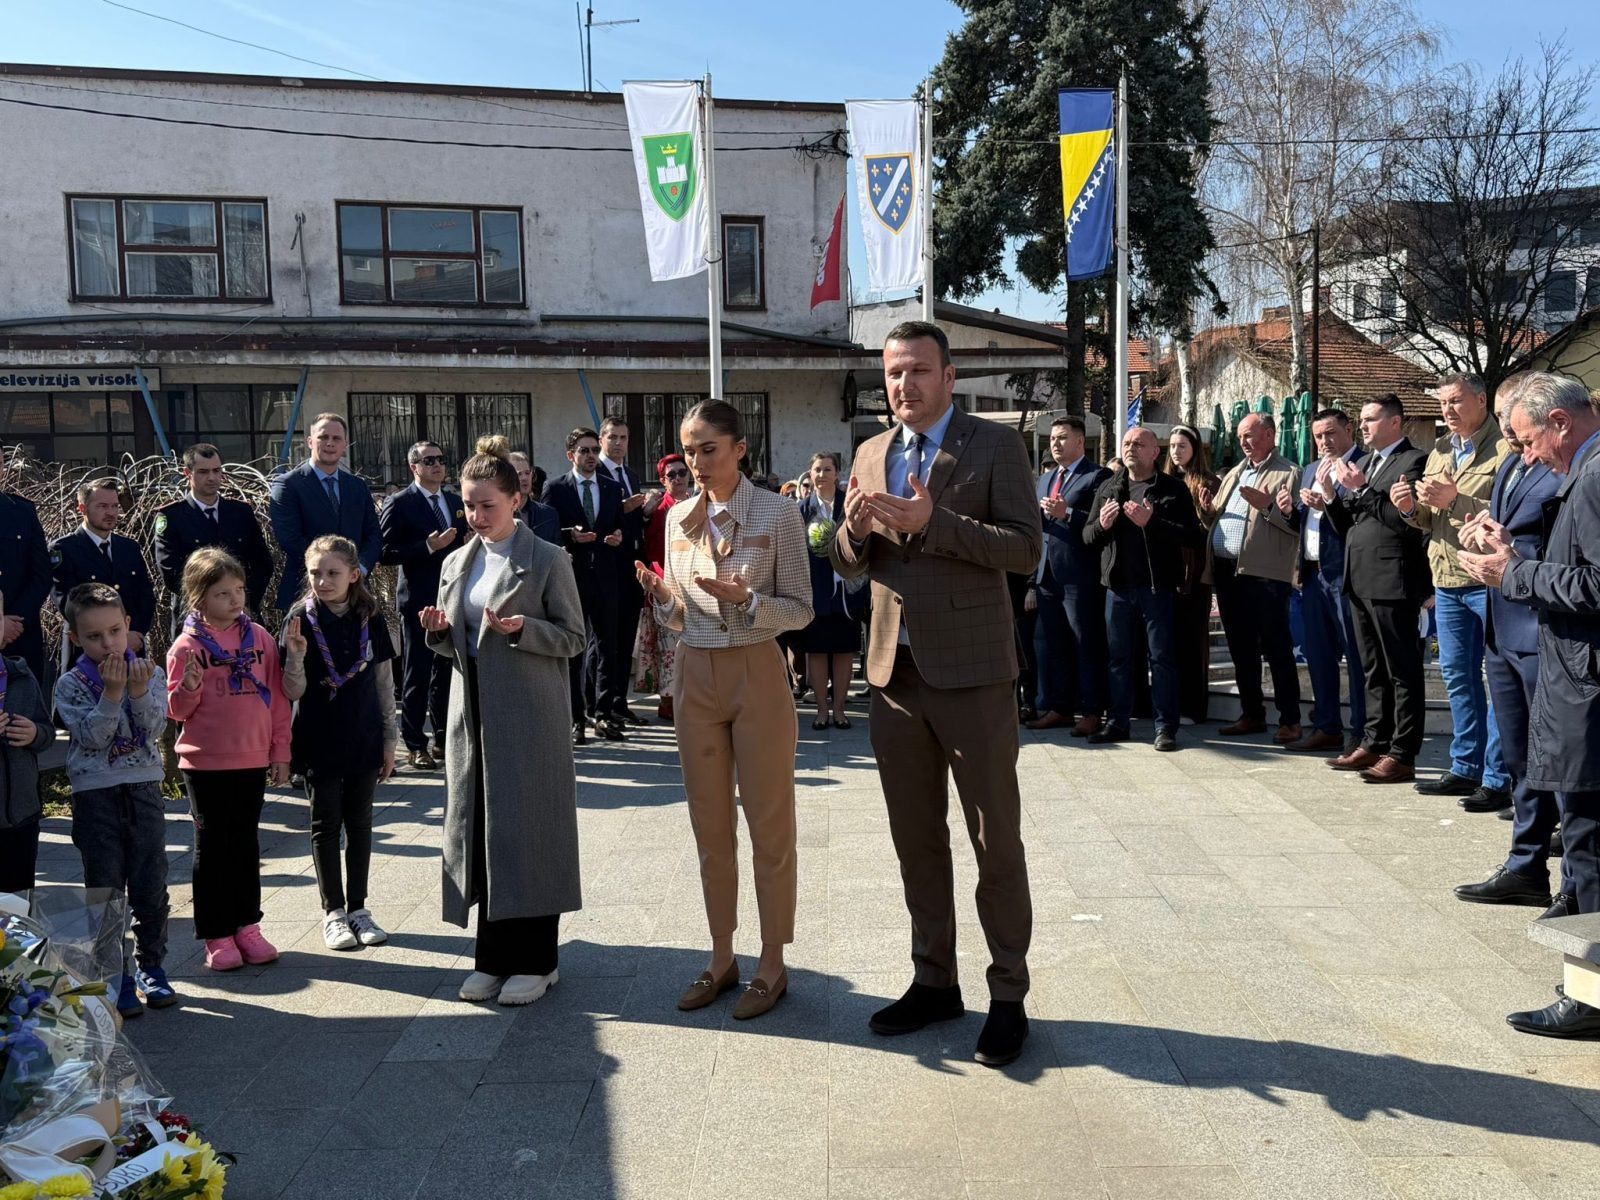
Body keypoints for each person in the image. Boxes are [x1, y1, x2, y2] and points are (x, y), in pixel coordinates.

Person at [830, 321, 1042, 1066]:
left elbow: (1025, 549)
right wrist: (854, 533)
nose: (904, 384)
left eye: (919, 370)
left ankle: (1008, 994)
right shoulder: (870, 452)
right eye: (893, 372)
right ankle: (934, 980)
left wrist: (936, 522)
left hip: (974, 675)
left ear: (950, 377)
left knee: (994, 840)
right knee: (916, 841)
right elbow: (847, 562)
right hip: (894, 677)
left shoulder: (996, 446)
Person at [637, 400, 813, 1020]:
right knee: (709, 824)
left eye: (708, 449)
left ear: (740, 448)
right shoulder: (677, 516)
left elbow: (802, 609)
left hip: (756, 670)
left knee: (769, 822)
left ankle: (772, 962)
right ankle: (720, 956)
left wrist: (750, 600)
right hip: (694, 672)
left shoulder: (778, 512)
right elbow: (679, 617)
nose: (696, 462)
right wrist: (663, 599)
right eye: (689, 451)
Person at [419, 435, 586, 1007]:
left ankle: (539, 961)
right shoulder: (455, 560)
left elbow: (574, 637)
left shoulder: (548, 558)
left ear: (517, 499)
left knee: (530, 833)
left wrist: (524, 631)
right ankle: (491, 958)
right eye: (468, 504)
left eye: (487, 504)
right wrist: (438, 632)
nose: (476, 515)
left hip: (530, 716)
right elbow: (456, 644)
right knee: (481, 832)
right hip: (471, 714)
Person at [1460, 372, 1600, 1038]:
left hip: (1587, 687)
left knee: (1588, 846)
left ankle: (1590, 999)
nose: (1527, 455)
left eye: (1526, 441)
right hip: (1580, 680)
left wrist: (1513, 574)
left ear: (1559, 423)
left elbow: (1596, 586)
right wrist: (1515, 555)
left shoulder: (1593, 477)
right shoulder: (1586, 470)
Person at [1454, 375, 1567, 910]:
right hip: (1502, 626)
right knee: (1521, 755)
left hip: (1542, 627)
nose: (1505, 428)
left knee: (1557, 759)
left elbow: (1563, 546)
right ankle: (1525, 866)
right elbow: (1510, 527)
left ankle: (1576, 881)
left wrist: (1513, 552)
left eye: (1509, 416)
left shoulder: (1561, 464)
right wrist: (1484, 531)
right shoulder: (1511, 463)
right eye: (1501, 417)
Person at [166, 547, 291, 971]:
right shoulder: (186, 646)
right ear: (199, 597)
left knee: (245, 844)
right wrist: (189, 687)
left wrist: (281, 751)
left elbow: (277, 700)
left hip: (251, 759)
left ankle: (247, 925)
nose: (235, 599)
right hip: (206, 764)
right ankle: (217, 934)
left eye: (239, 589)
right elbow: (176, 712)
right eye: (223, 593)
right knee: (213, 849)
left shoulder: (259, 638)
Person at [53, 583, 173, 1018]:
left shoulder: (148, 673)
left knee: (150, 883)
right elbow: (92, 736)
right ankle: (113, 975)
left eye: (115, 632)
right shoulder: (71, 684)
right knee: (105, 889)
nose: (108, 644)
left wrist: (137, 692)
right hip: (95, 794)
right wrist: (112, 693)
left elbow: (155, 729)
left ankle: (152, 966)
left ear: (128, 626)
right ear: (75, 639)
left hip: (142, 788)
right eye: (94, 636)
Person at [1393, 374, 1513, 809]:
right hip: (1446, 579)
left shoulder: (1505, 447)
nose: (1448, 410)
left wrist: (1454, 500)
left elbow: (1510, 510)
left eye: (1456, 401)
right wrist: (1410, 507)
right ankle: (1465, 767)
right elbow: (1430, 519)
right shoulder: (1442, 448)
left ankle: (1498, 778)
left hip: (1488, 580)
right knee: (1458, 678)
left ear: (1481, 400)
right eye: (1443, 402)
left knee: (1497, 681)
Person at [281, 535, 400, 951]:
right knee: (326, 823)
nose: (323, 581)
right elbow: (291, 691)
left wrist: (390, 740)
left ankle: (359, 907)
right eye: (315, 573)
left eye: (333, 573)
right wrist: (295, 656)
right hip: (319, 736)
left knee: (361, 822)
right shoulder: (300, 617)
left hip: (363, 734)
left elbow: (384, 684)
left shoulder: (370, 616)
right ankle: (333, 911)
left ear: (353, 575)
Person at [1323, 395, 1431, 783]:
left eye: (1370, 418)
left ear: (1395, 422)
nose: (1364, 425)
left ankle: (1402, 753)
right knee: (1372, 668)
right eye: (1362, 418)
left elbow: (1406, 523)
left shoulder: (1414, 461)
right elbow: (1351, 527)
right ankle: (1374, 741)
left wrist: (1363, 489)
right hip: (1359, 578)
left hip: (1392, 579)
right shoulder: (1367, 463)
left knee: (1401, 669)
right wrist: (1332, 497)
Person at [1084, 427, 1206, 751]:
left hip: (1157, 588)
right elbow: (1087, 536)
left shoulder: (1172, 489)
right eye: (1127, 443)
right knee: (1119, 659)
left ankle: (1165, 727)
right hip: (1117, 590)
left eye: (1138, 443)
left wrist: (1151, 523)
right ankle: (1118, 722)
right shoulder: (1109, 487)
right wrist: (1103, 525)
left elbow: (1192, 536)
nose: (1130, 448)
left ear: (1155, 452)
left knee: (1162, 658)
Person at [1208, 413, 1303, 742]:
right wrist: (1207, 510)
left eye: (1249, 435)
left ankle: (1290, 720)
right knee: (1240, 647)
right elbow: (1219, 515)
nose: (1243, 442)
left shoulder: (1289, 472)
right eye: (1240, 437)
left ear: (1270, 434)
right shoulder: (1235, 472)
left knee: (1276, 648)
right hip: (1228, 571)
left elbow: (1296, 525)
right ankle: (1252, 714)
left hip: (1265, 574)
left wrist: (1267, 507)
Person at [379, 441, 470, 771]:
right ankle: (415, 743)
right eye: (428, 460)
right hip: (418, 600)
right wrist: (427, 546)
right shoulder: (400, 503)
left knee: (446, 671)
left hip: (453, 597)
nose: (437, 465)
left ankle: (444, 738)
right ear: (413, 467)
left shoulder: (455, 502)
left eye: (441, 459)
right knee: (418, 671)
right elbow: (384, 552)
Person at [1027, 415, 1111, 734]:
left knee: (1085, 644)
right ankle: (1060, 708)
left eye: (1062, 437)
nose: (1056, 443)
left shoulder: (1097, 476)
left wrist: (1068, 513)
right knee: (1056, 645)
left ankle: (1092, 711)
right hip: (1047, 575)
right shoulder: (1045, 479)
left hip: (1080, 576)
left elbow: (1100, 524)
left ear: (1079, 441)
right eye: (1052, 438)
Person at [1290, 408, 1367, 754]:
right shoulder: (1309, 470)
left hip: (1345, 575)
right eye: (1319, 436)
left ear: (1349, 430)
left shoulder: (1363, 466)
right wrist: (1289, 510)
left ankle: (1361, 732)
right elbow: (1304, 522)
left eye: (1331, 433)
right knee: (1318, 656)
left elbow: (1360, 523)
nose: (1324, 441)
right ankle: (1326, 726)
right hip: (1312, 574)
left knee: (1356, 655)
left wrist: (1328, 504)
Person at [543, 428, 627, 744]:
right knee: (574, 652)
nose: (591, 456)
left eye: (594, 450)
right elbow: (546, 534)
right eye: (584, 450)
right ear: (571, 455)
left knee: (607, 648)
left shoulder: (611, 487)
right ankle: (576, 719)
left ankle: (602, 714)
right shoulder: (556, 488)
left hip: (606, 577)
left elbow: (619, 526)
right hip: (572, 578)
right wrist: (570, 536)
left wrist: (618, 536)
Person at [153, 443, 274, 637]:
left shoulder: (240, 512)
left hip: (241, 614)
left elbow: (263, 563)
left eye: (216, 470)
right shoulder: (171, 516)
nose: (211, 477)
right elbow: (171, 572)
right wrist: (211, 602)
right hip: (195, 616)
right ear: (187, 473)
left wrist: (241, 599)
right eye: (203, 472)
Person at [269, 412, 383, 612]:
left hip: (355, 594)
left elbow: (373, 534)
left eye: (336, 438)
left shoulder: (357, 486)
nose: (330, 443)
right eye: (323, 437)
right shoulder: (287, 485)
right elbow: (290, 539)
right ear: (310, 442)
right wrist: (329, 572)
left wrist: (358, 570)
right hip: (307, 593)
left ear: (345, 445)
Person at [50, 478, 156, 655]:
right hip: (88, 651)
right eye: (102, 506)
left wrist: (135, 631)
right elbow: (67, 603)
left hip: (131, 647)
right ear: (82, 508)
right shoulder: (64, 549)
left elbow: (145, 595)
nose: (111, 512)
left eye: (115, 506)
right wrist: (110, 637)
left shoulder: (129, 548)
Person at [797, 452, 863, 731]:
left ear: (837, 473)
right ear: (810, 474)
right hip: (816, 590)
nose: (822, 474)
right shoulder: (802, 509)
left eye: (827, 469)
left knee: (844, 651)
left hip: (846, 589)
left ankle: (839, 710)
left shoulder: (849, 504)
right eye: (817, 469)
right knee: (817, 651)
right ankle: (822, 710)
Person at [597, 417, 652, 727]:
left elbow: (633, 521)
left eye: (623, 438)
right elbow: (597, 516)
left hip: (632, 564)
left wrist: (644, 512)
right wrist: (623, 508)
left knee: (627, 635)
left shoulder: (630, 474)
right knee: (606, 640)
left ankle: (620, 701)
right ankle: (601, 707)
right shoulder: (596, 472)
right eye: (613, 437)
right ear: (602, 440)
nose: (619, 443)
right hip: (607, 566)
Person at [1165, 424, 1221, 726]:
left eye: (1182, 446)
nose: (1176, 451)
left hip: (1194, 572)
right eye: (1172, 446)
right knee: (1168, 643)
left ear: (1195, 449)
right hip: (1165, 569)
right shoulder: (1164, 479)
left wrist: (1206, 512)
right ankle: (1169, 703)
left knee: (1192, 641)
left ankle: (1193, 706)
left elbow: (1212, 528)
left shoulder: (1208, 481)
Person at [632, 454, 692, 722]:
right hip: (665, 584)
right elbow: (652, 549)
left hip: (694, 586)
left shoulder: (698, 502)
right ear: (662, 481)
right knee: (668, 648)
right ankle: (669, 702)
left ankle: (690, 699)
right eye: (672, 475)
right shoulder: (657, 509)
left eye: (682, 472)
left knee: (690, 647)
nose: (678, 478)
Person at [0, 639, 55, 895]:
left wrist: (35, 734)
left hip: (21, 816)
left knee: (19, 904)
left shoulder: (21, 675)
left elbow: (48, 731)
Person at [0, 444, 53, 683]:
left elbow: (41, 574)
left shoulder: (22, 511)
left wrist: (12, 623)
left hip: (20, 635)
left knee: (26, 705)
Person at [509, 452, 561, 545]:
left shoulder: (548, 515)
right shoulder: (499, 515)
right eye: (519, 474)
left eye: (527, 473)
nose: (524, 478)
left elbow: (558, 548)